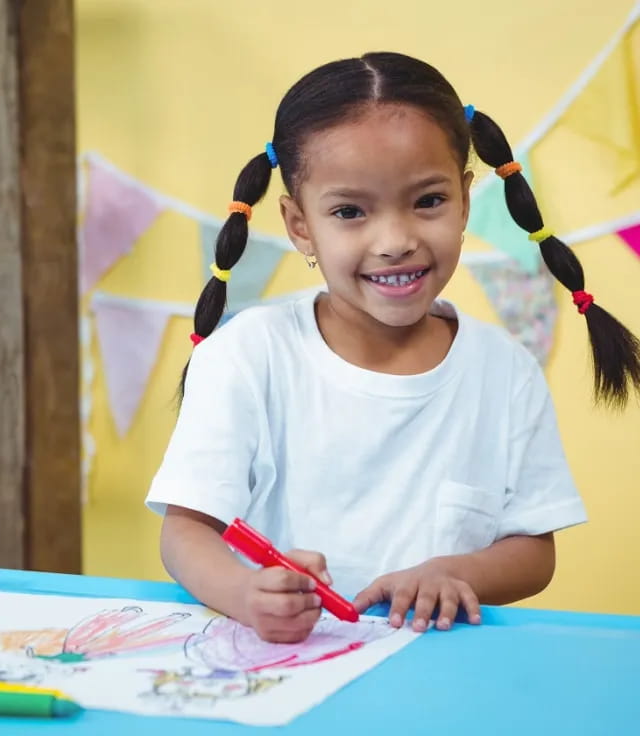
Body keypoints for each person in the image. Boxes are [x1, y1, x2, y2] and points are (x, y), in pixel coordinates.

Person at [145, 52, 640, 643]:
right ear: (300, 225)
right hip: (286, 667)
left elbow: (534, 551)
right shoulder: (248, 356)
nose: (395, 242)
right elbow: (185, 532)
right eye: (350, 212)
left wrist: (457, 573)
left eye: (428, 201)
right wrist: (244, 595)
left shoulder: (504, 370)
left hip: (441, 677)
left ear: (464, 198)